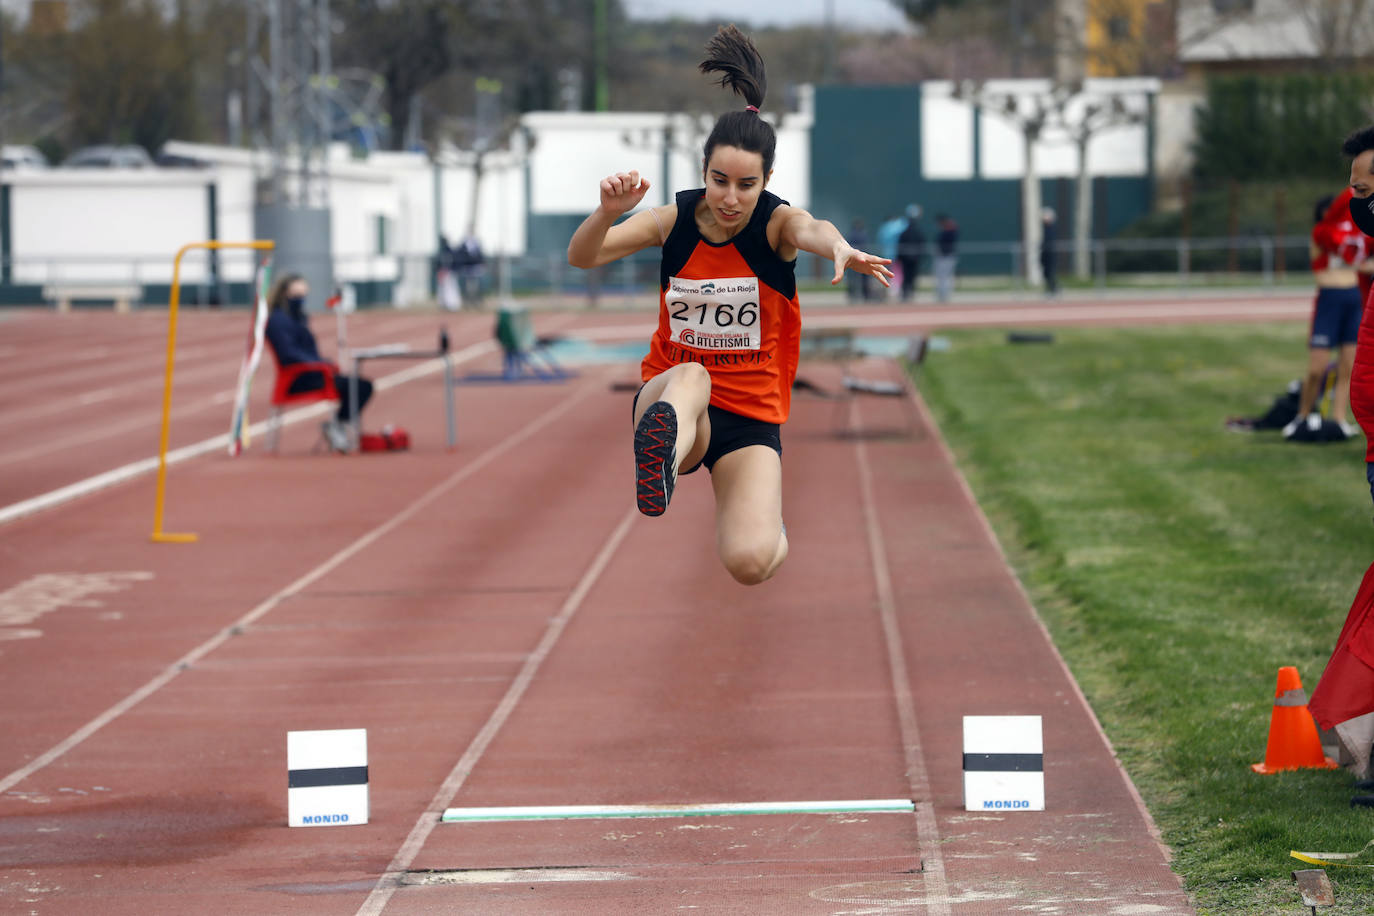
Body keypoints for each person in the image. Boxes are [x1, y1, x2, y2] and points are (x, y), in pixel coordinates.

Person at [566, 24, 892, 586]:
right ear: (703, 173)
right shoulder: (673, 222)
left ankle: (770, 531)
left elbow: (813, 228)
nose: (731, 198)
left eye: (746, 184)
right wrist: (605, 212)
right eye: (720, 181)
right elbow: (583, 257)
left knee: (749, 564)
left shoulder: (775, 225)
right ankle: (660, 465)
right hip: (673, 398)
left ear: (767, 181)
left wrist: (839, 247)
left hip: (749, 417)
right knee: (691, 374)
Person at [1283, 189, 1364, 442]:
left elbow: (1360, 261)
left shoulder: (1350, 237)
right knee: (1317, 369)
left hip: (1352, 299)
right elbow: (1336, 244)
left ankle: (1339, 419)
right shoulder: (1321, 235)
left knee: (1347, 368)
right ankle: (1302, 415)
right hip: (1329, 301)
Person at [264, 273, 373, 452]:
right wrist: (318, 364)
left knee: (360, 386)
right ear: (286, 292)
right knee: (360, 387)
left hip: (313, 372)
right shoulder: (278, 320)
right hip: (299, 379)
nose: (303, 297)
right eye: (298, 293)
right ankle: (337, 426)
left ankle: (337, 425)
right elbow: (288, 354)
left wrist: (322, 363)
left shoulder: (297, 316)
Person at [875, 212, 907, 302]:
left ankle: (887, 293)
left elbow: (880, 240)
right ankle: (893, 293)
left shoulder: (884, 228)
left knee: (886, 274)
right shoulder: (900, 225)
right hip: (896, 255)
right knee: (897, 274)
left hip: (886, 255)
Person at [896, 204, 925, 302]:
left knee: (908, 276)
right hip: (912, 258)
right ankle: (908, 293)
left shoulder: (905, 232)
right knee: (910, 276)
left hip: (908, 258)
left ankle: (907, 293)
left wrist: (899, 257)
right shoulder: (915, 232)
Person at [454, 228, 486, 306]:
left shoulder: (477, 243)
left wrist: (482, 264)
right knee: (467, 286)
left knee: (476, 286)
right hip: (467, 268)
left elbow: (480, 255)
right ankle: (467, 301)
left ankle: (477, 301)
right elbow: (460, 254)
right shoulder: (464, 244)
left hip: (476, 267)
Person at [845, 217, 874, 303]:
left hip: (852, 259)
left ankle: (852, 294)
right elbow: (865, 247)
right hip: (861, 259)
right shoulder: (862, 234)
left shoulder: (850, 234)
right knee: (863, 277)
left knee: (853, 278)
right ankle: (865, 295)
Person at [933, 212, 959, 303]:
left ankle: (944, 296)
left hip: (946, 256)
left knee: (945, 277)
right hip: (944, 256)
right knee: (942, 277)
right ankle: (942, 295)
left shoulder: (949, 230)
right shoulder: (947, 230)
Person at [436, 235, 461, 311]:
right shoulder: (444, 250)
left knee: (450, 288)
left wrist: (445, 270)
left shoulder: (447, 250)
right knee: (445, 289)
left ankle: (452, 305)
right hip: (446, 272)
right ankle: (447, 304)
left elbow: (449, 263)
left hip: (449, 272)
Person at [1040, 207, 1059, 296]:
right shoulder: (1045, 228)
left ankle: (1054, 290)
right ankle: (1050, 289)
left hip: (1050, 254)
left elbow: (1049, 242)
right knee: (1047, 273)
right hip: (1046, 254)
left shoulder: (1051, 228)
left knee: (1050, 272)